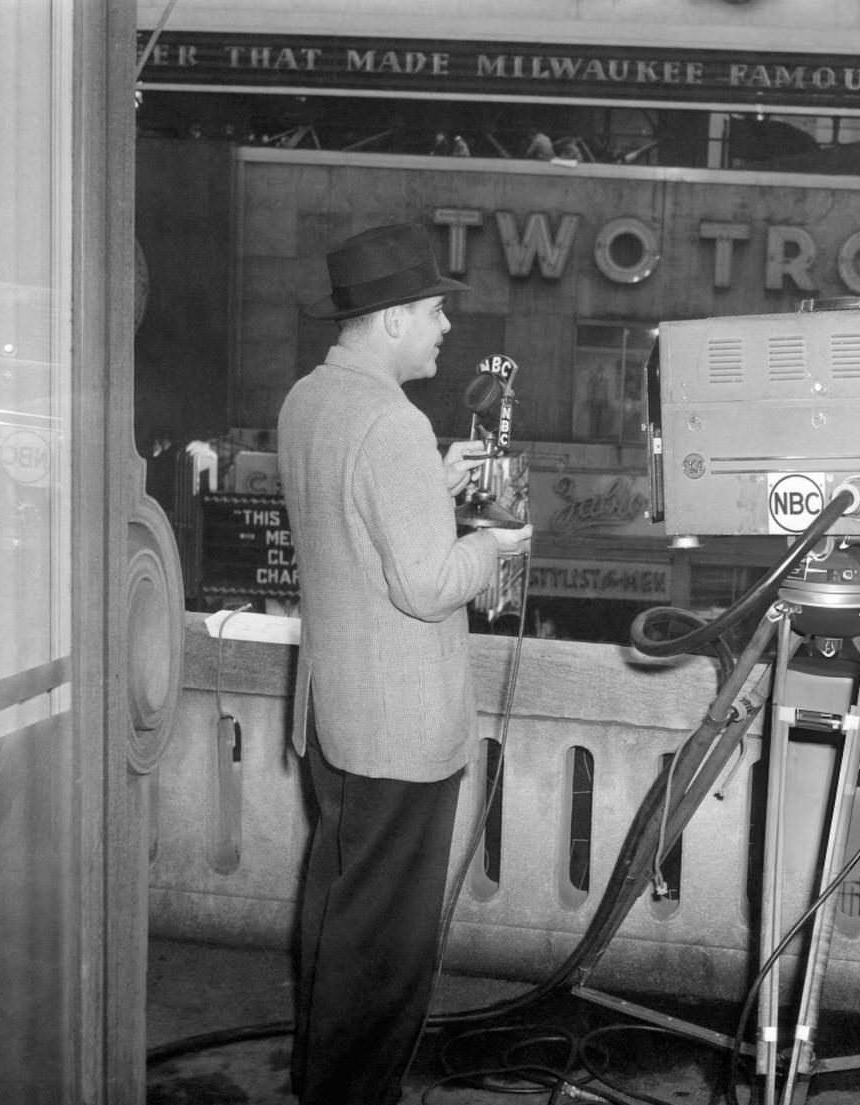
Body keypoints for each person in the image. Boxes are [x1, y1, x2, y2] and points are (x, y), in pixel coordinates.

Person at [278, 221, 533, 1105]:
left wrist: (431, 473)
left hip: (335, 711)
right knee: (386, 949)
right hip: (398, 729)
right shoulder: (391, 420)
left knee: (338, 908)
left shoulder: (311, 398)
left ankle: (322, 1082)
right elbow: (427, 585)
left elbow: (352, 519)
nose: (444, 328)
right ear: (388, 319)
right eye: (432, 311)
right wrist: (498, 541)